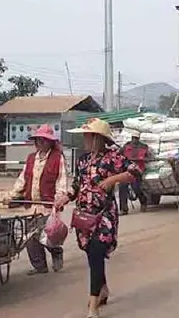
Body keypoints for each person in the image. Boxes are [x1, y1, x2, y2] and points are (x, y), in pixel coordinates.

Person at [54, 118, 141, 318]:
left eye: (88, 135)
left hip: (104, 215)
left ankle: (93, 306)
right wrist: (65, 198)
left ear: (98, 138)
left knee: (95, 252)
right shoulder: (83, 160)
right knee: (93, 255)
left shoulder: (113, 157)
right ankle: (103, 290)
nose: (85, 139)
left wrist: (113, 179)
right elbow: (77, 184)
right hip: (84, 215)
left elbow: (135, 171)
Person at [5, 124, 68, 275]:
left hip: (47, 204)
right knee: (30, 238)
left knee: (46, 235)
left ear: (50, 142)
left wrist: (60, 199)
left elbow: (61, 180)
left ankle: (56, 251)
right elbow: (23, 179)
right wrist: (12, 195)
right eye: (38, 140)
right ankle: (40, 266)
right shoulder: (31, 158)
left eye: (44, 140)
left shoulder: (57, 158)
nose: (40, 143)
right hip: (31, 203)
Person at [118, 134, 150, 215]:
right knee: (122, 186)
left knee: (136, 187)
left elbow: (149, 156)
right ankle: (123, 209)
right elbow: (119, 155)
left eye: (136, 138)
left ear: (138, 139)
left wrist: (142, 159)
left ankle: (143, 201)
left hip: (138, 170)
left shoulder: (143, 147)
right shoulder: (126, 146)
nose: (134, 140)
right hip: (127, 169)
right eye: (133, 138)